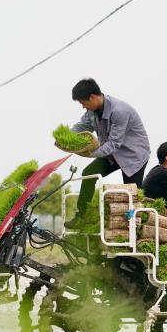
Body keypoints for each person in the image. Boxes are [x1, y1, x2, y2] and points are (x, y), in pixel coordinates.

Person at [61, 78, 150, 230]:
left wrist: (90, 153)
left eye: (83, 103)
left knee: (131, 193)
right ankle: (82, 216)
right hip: (112, 154)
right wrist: (65, 136)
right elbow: (82, 126)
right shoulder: (92, 111)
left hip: (132, 155)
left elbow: (114, 144)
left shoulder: (119, 111)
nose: (83, 107)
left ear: (93, 97)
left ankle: (136, 229)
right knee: (89, 173)